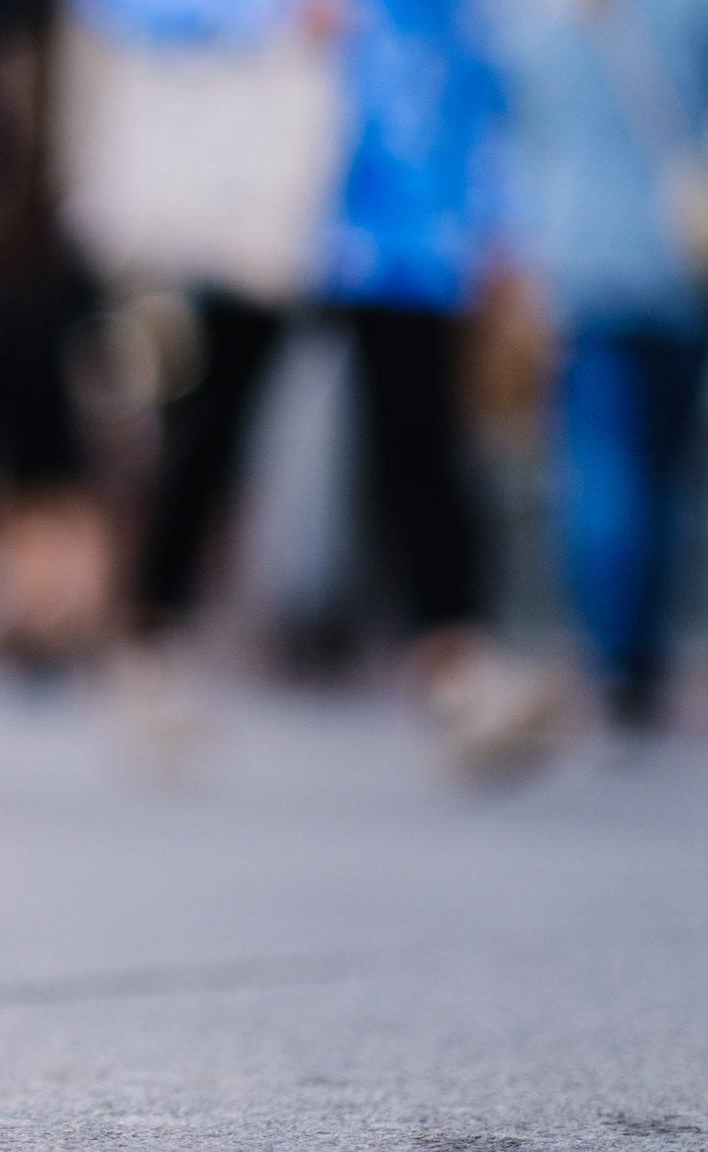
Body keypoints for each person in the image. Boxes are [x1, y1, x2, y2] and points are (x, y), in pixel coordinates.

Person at [89, 0, 566, 775]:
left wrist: (497, 222)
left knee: (421, 440)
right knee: (211, 424)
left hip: (405, 221)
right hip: (269, 199)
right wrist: (265, 19)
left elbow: (480, 70)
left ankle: (457, 661)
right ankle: (149, 644)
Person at [490, 0, 708, 729]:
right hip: (681, 256)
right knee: (667, 469)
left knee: (604, 465)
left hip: (581, 261)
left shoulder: (536, 19)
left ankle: (613, 655)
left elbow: (517, 131)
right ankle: (646, 652)